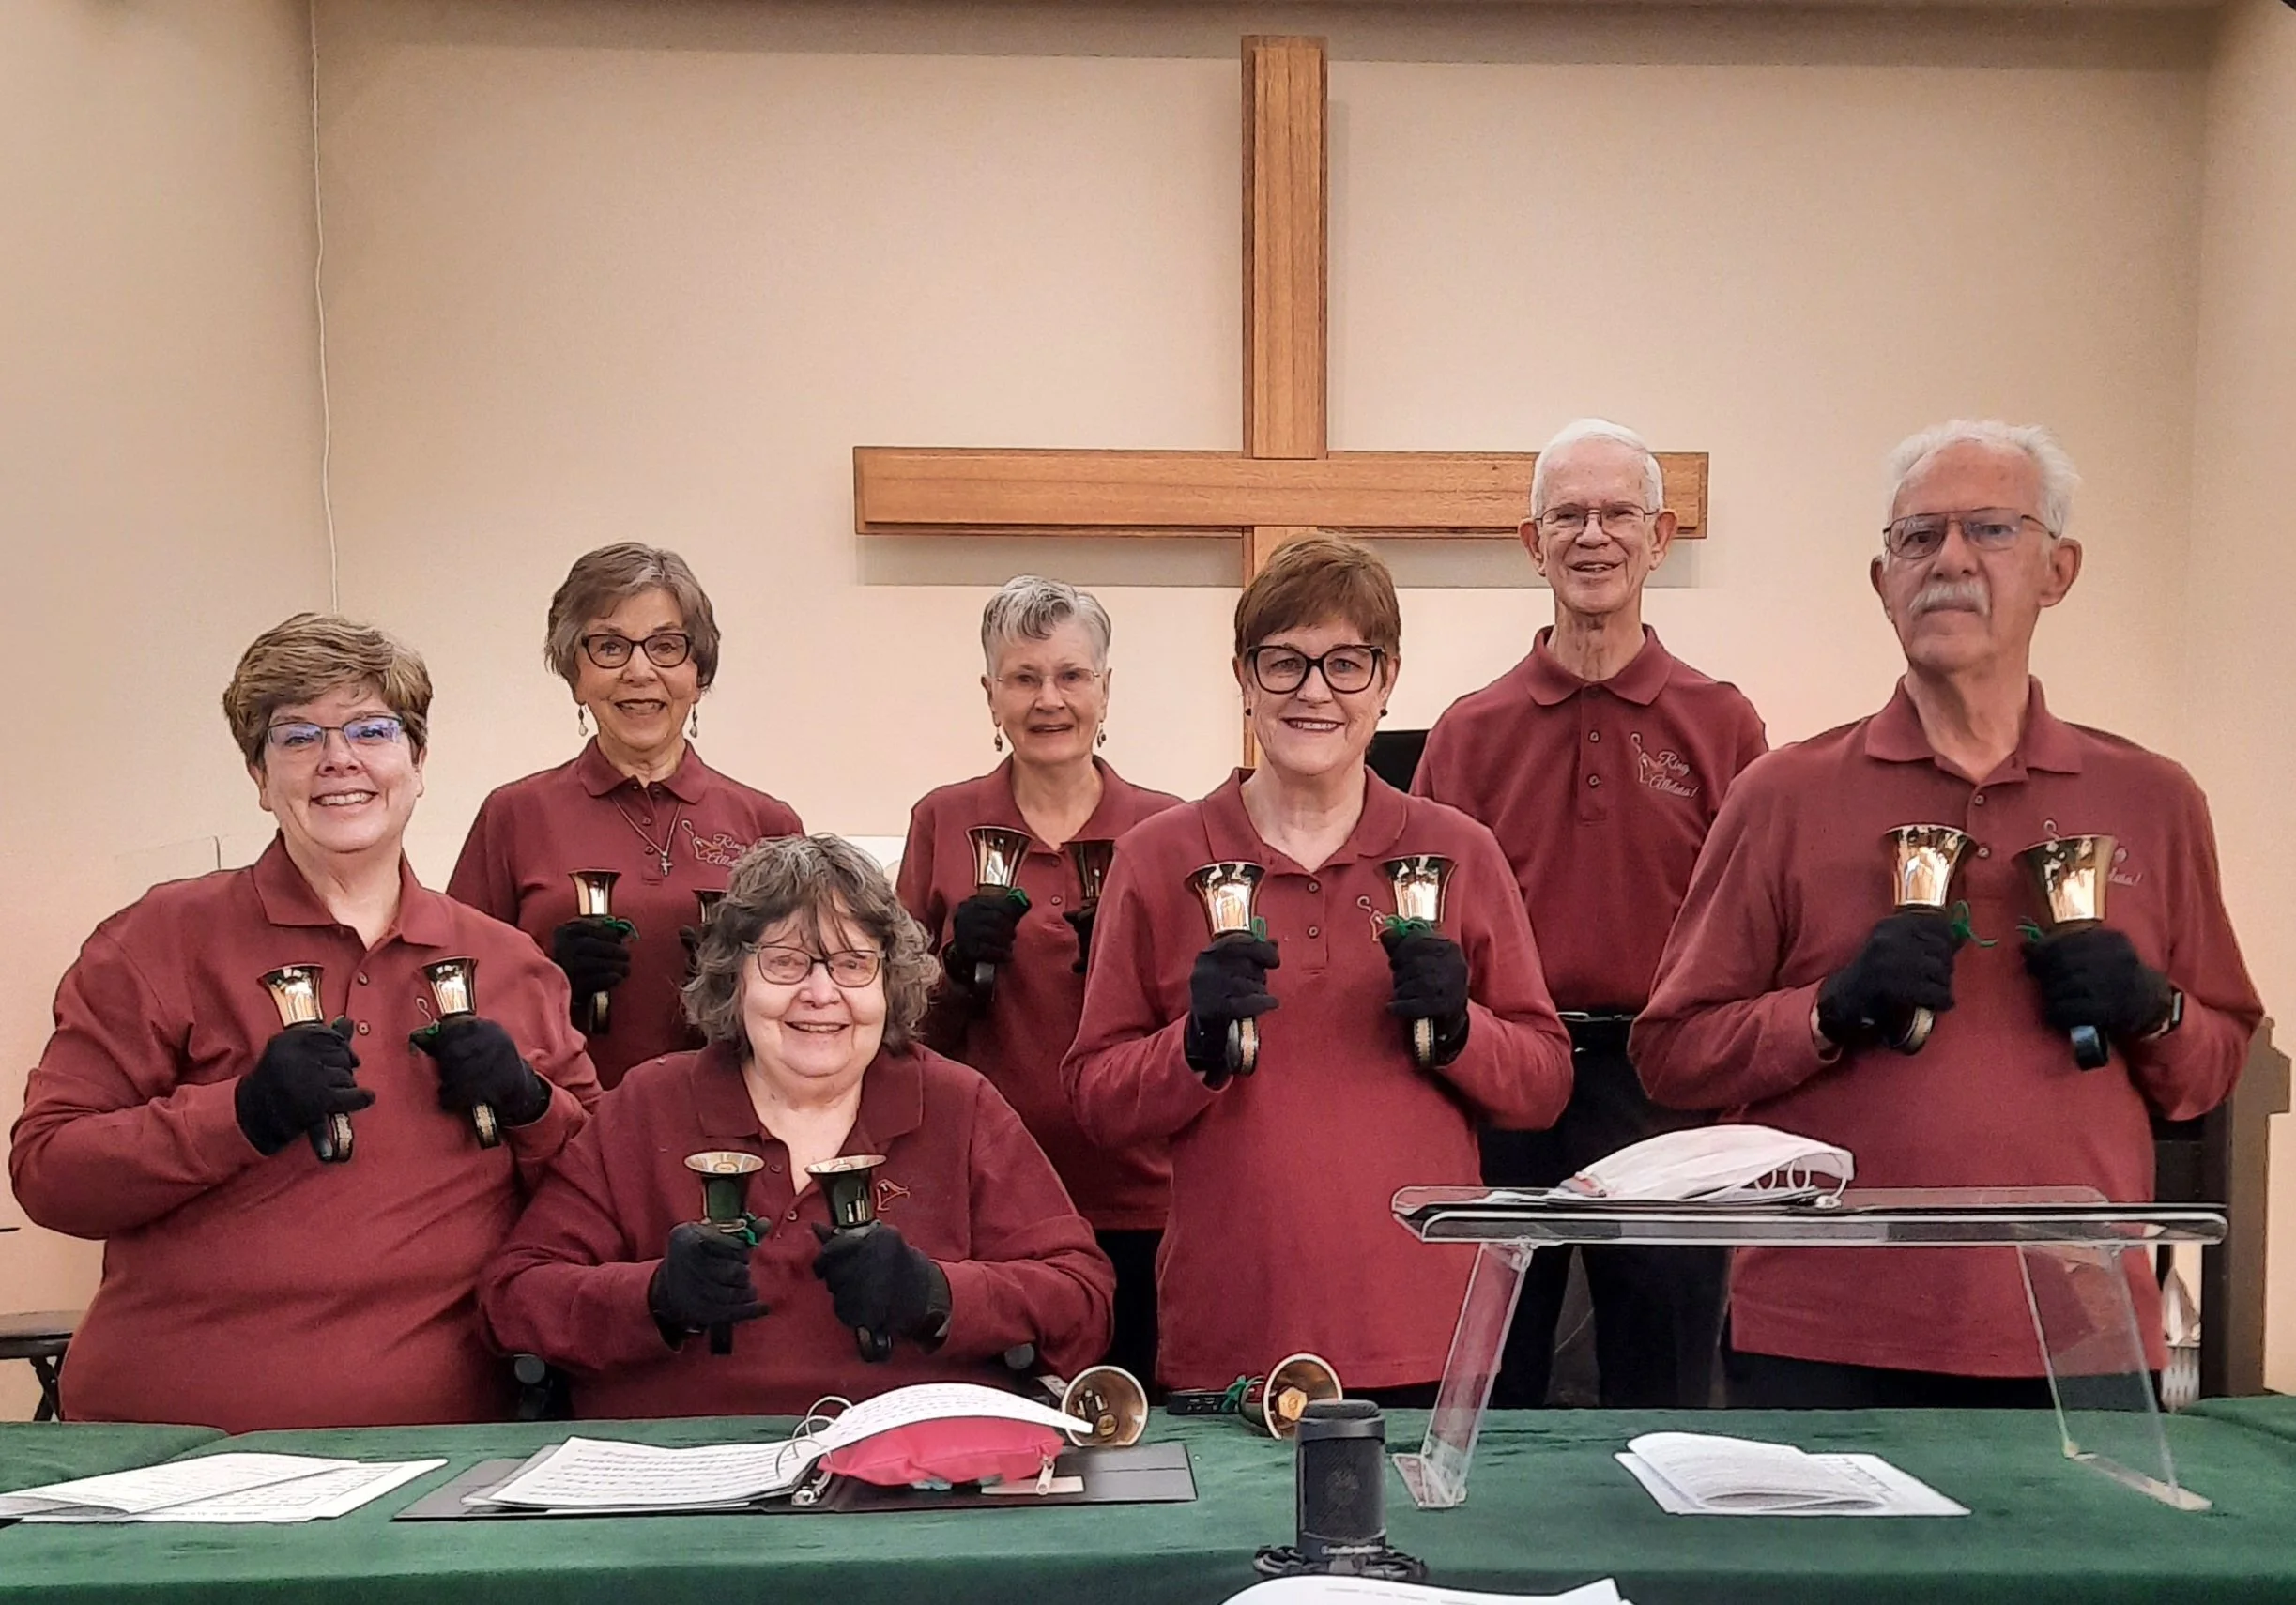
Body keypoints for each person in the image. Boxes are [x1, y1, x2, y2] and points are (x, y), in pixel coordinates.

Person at [1632, 421, 2262, 1406]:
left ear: (2058, 570)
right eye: (1917, 538)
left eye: (1991, 531)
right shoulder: (1781, 796)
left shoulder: (2153, 799)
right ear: (1881, 581)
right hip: (1823, 1331)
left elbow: (2213, 1062)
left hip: (2078, 1335)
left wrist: (2154, 1010)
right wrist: (1826, 1012)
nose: (1950, 562)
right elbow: (1672, 1052)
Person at [8, 616, 599, 1431]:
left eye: (372, 729)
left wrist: (532, 1106)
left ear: (417, 760)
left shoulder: (510, 967)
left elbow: (601, 1198)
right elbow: (50, 1174)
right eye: (297, 737)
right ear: (257, 774)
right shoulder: (159, 940)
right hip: (172, 1453)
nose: (338, 760)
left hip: (433, 1454)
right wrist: (239, 1114)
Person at [1063, 536, 1574, 1402]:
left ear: (1387, 680)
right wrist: (1190, 1048)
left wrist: (1461, 1032)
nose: (1313, 692)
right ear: (1243, 676)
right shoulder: (1159, 859)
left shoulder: (1459, 854)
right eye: (1284, 663)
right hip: (1232, 1340)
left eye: (1345, 664)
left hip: (1425, 1338)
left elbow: (1545, 1085)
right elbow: (1095, 1101)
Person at [482, 833, 1113, 1417]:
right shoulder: (650, 1104)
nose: (820, 993)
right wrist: (653, 1298)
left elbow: (1082, 1299)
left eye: (851, 964)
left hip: (911, 1478)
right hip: (681, 1485)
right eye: (785, 963)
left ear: (889, 984)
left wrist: (939, 1294)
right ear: (734, 979)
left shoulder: (958, 1103)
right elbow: (513, 1300)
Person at [1416, 419, 1767, 1409]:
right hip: (1503, 1086)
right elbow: (1431, 926)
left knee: (1663, 1378)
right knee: (1494, 1378)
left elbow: (1750, 927)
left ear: (1658, 541)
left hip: (1661, 1091)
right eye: (1567, 514)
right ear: (1533, 545)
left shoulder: (1722, 722)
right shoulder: (1471, 732)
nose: (1592, 535)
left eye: (1618, 513)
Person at [898, 577, 1181, 1384]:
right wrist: (952, 974)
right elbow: (892, 1030)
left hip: (1144, 1198)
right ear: (990, 695)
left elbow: (1204, 1029)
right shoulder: (943, 822)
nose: (1048, 699)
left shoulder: (1167, 830)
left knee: (1145, 1430)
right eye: (1023, 678)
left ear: (1105, 688)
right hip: (988, 1194)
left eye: (1071, 676)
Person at [450, 543, 803, 1091]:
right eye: (610, 647)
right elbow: (457, 999)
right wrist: (547, 976)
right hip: (564, 1124)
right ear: (576, 674)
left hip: (734, 1129)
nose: (639, 672)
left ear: (698, 671)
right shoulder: (514, 815)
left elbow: (811, 1002)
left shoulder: (767, 823)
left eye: (666, 647)